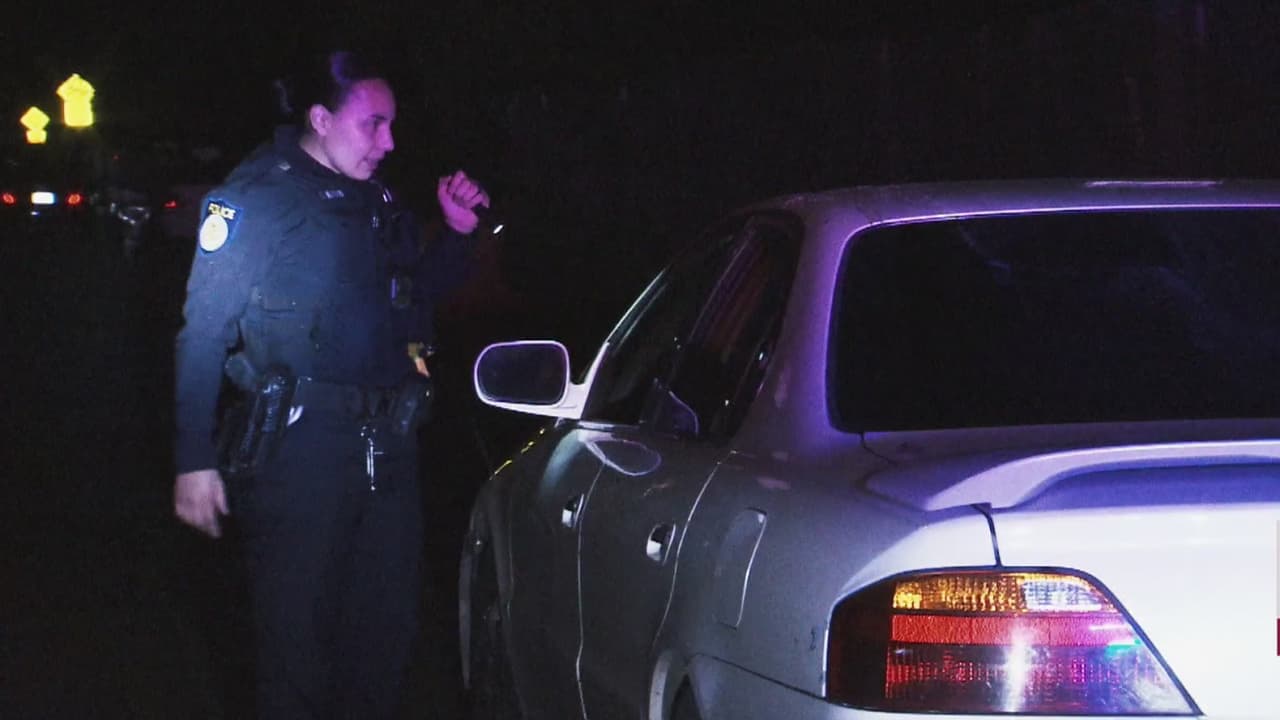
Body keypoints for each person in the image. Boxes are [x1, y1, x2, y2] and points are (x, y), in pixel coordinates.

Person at [171, 50, 488, 719]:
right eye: (374, 124)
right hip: (300, 453)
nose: (389, 142)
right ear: (320, 118)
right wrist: (193, 459)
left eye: (392, 125)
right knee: (296, 645)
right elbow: (203, 331)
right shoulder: (260, 197)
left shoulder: (378, 203)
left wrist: (458, 236)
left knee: (384, 637)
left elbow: (414, 302)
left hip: (386, 449)